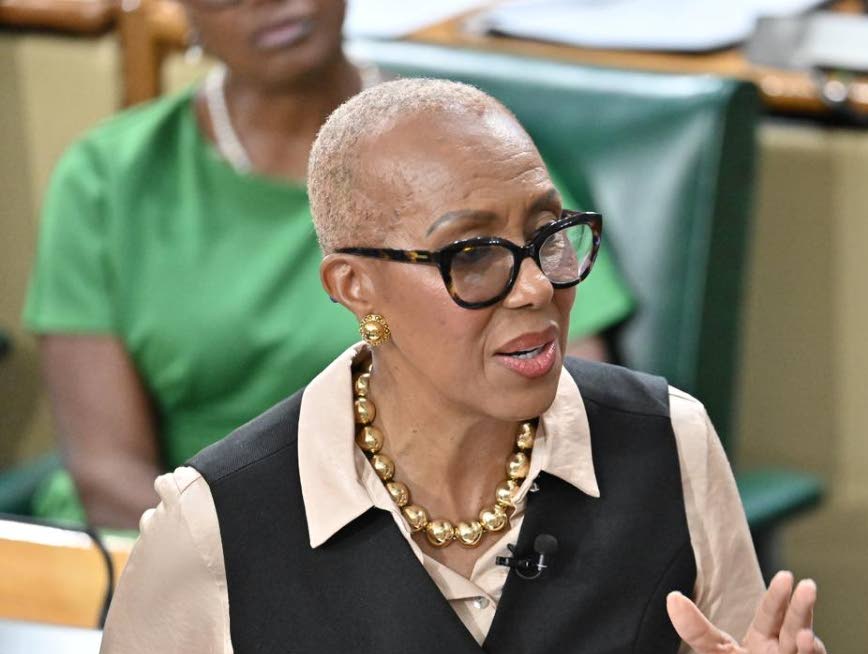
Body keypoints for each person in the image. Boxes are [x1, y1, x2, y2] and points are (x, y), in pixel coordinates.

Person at [36, 79, 844, 654]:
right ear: (355, 287)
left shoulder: (668, 440)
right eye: (473, 255)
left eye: (548, 233)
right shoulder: (220, 520)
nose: (534, 287)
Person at [21, 0, 632, 531]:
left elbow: (568, 401)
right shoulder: (108, 178)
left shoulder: (473, 151)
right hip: (171, 544)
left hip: (432, 543)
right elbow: (107, 472)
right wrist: (249, 575)